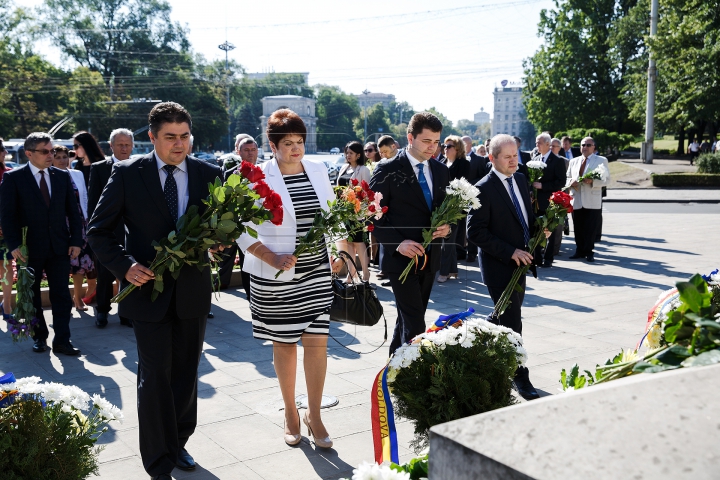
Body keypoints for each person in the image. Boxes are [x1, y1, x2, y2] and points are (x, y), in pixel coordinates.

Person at [87, 102, 222, 479]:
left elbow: (218, 227)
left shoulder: (210, 173)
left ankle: (178, 443)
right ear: (152, 137)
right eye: (170, 137)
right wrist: (125, 266)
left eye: (185, 137)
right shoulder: (128, 173)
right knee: (153, 376)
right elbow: (97, 231)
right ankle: (157, 460)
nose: (179, 145)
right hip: (147, 294)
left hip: (193, 293)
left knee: (185, 374)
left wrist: (221, 239)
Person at [236, 109, 336, 449]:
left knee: (318, 345)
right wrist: (270, 256)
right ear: (273, 144)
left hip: (317, 273)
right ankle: (291, 412)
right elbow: (240, 228)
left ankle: (315, 414)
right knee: (285, 345)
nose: (296, 149)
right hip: (277, 275)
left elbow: (334, 215)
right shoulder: (256, 177)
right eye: (289, 143)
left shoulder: (319, 170)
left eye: (300, 142)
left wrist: (337, 253)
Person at [466, 133, 541, 401]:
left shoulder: (521, 179)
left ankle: (474, 341)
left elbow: (524, 218)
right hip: (499, 268)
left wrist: (541, 227)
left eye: (516, 156)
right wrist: (511, 252)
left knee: (503, 317)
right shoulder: (482, 188)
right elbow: (475, 233)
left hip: (521, 266)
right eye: (507, 157)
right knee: (513, 323)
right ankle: (519, 375)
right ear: (492, 158)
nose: (514, 161)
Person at [370, 112, 450, 355]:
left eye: (436, 142)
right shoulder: (387, 169)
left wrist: (448, 227)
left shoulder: (441, 169)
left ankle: (394, 364)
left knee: (410, 316)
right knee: (416, 323)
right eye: (426, 141)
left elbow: (447, 209)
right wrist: (398, 243)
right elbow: (370, 215)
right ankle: (414, 380)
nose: (432, 148)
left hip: (430, 256)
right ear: (410, 137)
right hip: (400, 259)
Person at [0, 132, 83, 355]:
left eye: (52, 151)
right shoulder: (14, 178)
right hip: (29, 250)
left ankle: (63, 340)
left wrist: (76, 240)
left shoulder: (62, 176)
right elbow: (7, 216)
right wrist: (15, 245)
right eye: (45, 151)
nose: (51, 155)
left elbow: (73, 213)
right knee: (33, 295)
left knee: (61, 296)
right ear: (29, 153)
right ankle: (40, 337)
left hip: (59, 246)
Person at [88, 128, 134, 328]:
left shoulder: (139, 167)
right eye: (120, 144)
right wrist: (95, 230)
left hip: (132, 230)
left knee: (129, 272)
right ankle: (102, 311)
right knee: (105, 273)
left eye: (127, 144)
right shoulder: (99, 169)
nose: (124, 148)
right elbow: (93, 203)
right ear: (111, 146)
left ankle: (126, 312)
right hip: (107, 230)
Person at [52, 145, 96, 311]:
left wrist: (87, 221)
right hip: (59, 226)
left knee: (80, 265)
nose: (63, 160)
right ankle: (62, 302)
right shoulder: (50, 176)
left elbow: (84, 199)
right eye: (58, 157)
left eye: (65, 156)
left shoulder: (77, 174)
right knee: (61, 265)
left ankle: (78, 300)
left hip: (79, 224)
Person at [218, 136, 260, 298]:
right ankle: (251, 296)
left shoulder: (267, 170)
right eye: (246, 150)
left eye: (253, 149)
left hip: (264, 226)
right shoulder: (230, 174)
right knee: (246, 263)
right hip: (241, 228)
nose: (250, 153)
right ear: (238, 151)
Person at [565, 137, 610, 262]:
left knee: (590, 228)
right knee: (578, 227)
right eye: (583, 145)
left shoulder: (601, 160)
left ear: (593, 147)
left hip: (592, 199)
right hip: (577, 198)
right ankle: (579, 251)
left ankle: (589, 251)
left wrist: (593, 181)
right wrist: (571, 182)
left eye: (588, 145)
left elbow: (607, 180)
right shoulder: (573, 161)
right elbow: (567, 178)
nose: (585, 147)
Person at [336, 141, 372, 282]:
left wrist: (357, 202)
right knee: (348, 243)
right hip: (344, 211)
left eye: (351, 153)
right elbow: (338, 185)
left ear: (358, 155)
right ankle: (351, 273)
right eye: (347, 152)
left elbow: (367, 191)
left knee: (358, 242)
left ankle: (365, 272)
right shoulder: (344, 167)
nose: (348, 155)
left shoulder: (364, 170)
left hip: (357, 211)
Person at [531, 133, 567, 268]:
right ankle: (537, 258)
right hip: (535, 202)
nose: (537, 145)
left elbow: (561, 182)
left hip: (549, 202)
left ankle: (548, 258)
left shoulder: (557, 161)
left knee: (549, 231)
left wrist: (543, 186)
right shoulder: (535, 159)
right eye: (536, 143)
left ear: (547, 144)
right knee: (536, 230)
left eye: (539, 143)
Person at [438, 135, 470, 282]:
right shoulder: (442, 162)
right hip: (441, 206)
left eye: (449, 146)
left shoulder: (463, 164)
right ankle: (452, 269)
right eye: (444, 146)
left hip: (455, 207)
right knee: (446, 238)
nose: (445, 149)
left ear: (457, 149)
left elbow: (462, 186)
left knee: (448, 239)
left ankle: (444, 272)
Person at [0, 138, 14, 319]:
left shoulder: (10, 174)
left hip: (7, 228)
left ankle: (8, 306)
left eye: (3, 149)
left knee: (7, 267)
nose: (3, 152)